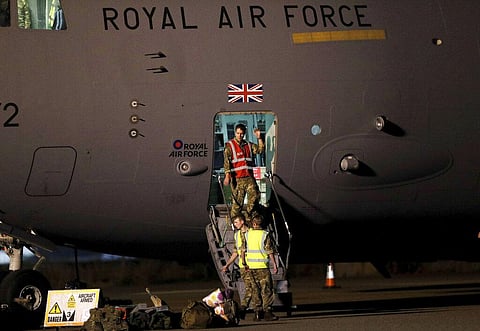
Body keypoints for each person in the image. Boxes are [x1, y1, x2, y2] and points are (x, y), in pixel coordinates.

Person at [223, 123, 264, 220]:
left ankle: (249, 217)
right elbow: (226, 162)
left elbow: (260, 150)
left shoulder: (248, 145)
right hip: (237, 179)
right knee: (237, 203)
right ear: (235, 133)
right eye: (238, 133)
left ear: (244, 134)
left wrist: (259, 138)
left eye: (241, 134)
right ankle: (234, 222)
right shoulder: (230, 146)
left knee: (255, 195)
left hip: (249, 177)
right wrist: (227, 175)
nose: (239, 135)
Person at [242, 215, 279, 321]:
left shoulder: (247, 235)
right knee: (266, 289)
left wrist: (244, 263)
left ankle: (257, 313)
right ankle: (267, 311)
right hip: (262, 267)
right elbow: (269, 251)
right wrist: (274, 264)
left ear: (253, 224)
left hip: (251, 267)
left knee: (255, 290)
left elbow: (243, 250)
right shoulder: (265, 234)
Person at [221, 213, 256, 319]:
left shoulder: (252, 233)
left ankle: (246, 309)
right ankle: (249, 309)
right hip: (245, 267)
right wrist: (227, 264)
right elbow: (235, 252)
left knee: (253, 288)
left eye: (236, 222)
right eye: (234, 222)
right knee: (251, 288)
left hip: (254, 265)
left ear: (242, 221)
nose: (235, 224)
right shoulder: (237, 235)